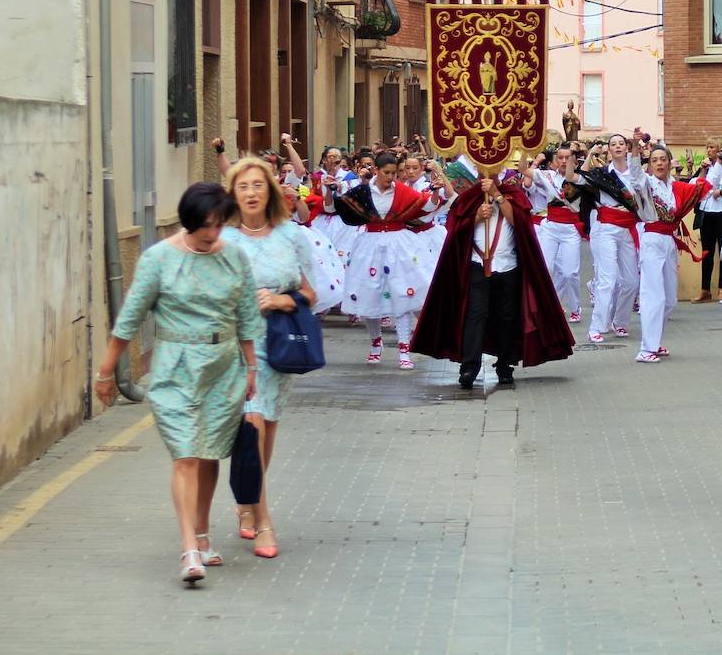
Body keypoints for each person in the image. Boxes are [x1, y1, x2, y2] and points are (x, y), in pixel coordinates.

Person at [94, 183, 263, 585]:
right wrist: (107, 371)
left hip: (224, 369)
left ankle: (202, 535)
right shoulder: (158, 259)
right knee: (186, 453)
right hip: (176, 368)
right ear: (189, 221)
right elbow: (131, 316)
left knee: (208, 453)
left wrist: (252, 369)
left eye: (219, 224)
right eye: (205, 225)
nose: (212, 233)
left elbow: (246, 315)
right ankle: (189, 548)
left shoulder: (234, 256)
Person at [219, 158, 326, 558]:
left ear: (269, 191)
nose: (250, 192)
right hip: (236, 346)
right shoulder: (223, 238)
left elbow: (311, 293)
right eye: (242, 186)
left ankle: (246, 502)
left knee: (266, 434)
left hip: (279, 343)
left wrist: (283, 299)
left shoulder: (291, 236)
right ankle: (264, 522)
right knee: (252, 425)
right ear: (233, 193)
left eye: (257, 185)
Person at [411, 169, 575, 388]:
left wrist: (497, 195)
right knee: (475, 314)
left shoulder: (513, 195)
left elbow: (520, 223)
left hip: (508, 265)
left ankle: (505, 366)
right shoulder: (469, 197)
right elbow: (456, 227)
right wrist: (477, 216)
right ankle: (469, 367)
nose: (488, 171)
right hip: (477, 263)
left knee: (506, 316)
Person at [332, 153, 442, 369]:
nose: (391, 177)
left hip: (398, 245)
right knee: (369, 294)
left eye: (394, 173)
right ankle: (375, 343)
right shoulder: (363, 191)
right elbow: (341, 207)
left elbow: (425, 206)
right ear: (377, 170)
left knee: (403, 293)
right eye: (387, 172)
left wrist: (435, 192)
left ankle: (404, 348)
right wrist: (332, 190)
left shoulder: (401, 190)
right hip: (370, 245)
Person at [635, 144, 712, 362]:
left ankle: (654, 341)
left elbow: (697, 189)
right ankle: (646, 349)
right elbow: (633, 175)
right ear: (649, 165)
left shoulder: (674, 186)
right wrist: (633, 148)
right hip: (651, 239)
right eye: (654, 160)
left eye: (663, 159)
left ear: (669, 162)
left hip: (668, 241)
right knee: (653, 296)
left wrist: (707, 169)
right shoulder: (646, 183)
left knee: (669, 299)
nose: (659, 163)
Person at [572, 134, 644, 343]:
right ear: (608, 150)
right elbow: (579, 178)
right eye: (613, 144)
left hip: (628, 229)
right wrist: (590, 154)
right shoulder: (602, 174)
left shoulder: (635, 172)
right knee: (607, 279)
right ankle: (597, 326)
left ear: (627, 147)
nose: (618, 147)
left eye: (621, 143)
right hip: (606, 228)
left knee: (631, 282)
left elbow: (643, 192)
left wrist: (638, 146)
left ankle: (619, 322)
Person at [525, 145, 588, 322]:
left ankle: (575, 307)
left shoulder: (580, 179)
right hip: (550, 227)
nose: (563, 161)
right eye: (559, 158)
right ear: (554, 161)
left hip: (570, 229)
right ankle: (547, 306)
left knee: (570, 273)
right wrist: (522, 149)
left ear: (574, 160)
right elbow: (524, 171)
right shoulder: (548, 176)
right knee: (546, 268)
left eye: (567, 157)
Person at [691, 137, 722, 303]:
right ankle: (705, 289)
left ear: (719, 149)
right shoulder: (704, 167)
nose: (708, 150)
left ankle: (721, 289)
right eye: (707, 147)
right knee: (707, 251)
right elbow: (696, 186)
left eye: (712, 147)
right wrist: (702, 170)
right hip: (706, 212)